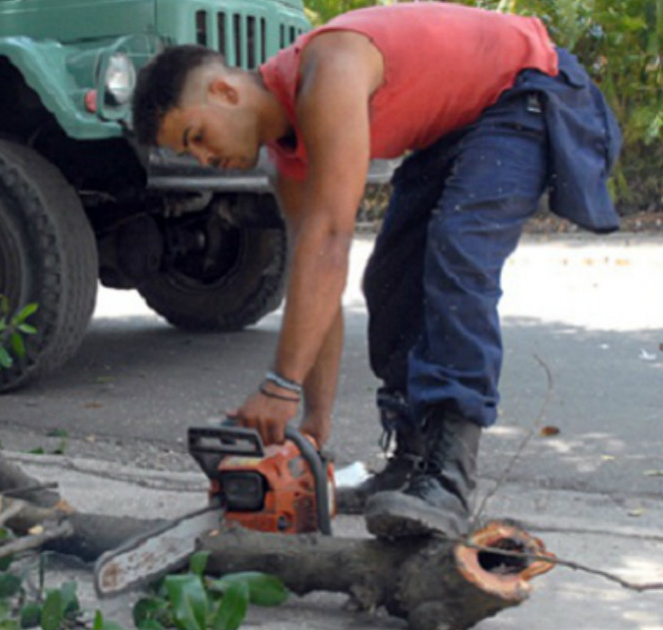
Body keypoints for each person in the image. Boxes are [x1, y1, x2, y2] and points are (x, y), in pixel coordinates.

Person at [130, 2, 621, 539]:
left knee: (456, 253)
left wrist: (278, 386)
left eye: (197, 136)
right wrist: (313, 423)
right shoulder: (288, 158)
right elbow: (315, 275)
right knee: (388, 280)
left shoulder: (327, 68)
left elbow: (332, 241)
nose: (203, 159)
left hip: (528, 89)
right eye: (189, 153)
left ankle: (449, 479)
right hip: (457, 128)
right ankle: (411, 464)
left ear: (224, 92)